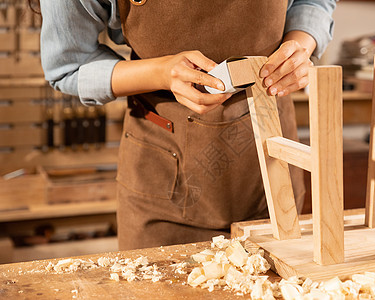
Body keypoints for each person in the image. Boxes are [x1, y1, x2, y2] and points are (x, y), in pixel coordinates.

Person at [39, 0, 336, 250]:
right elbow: (69, 66)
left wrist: (299, 46)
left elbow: (314, 2)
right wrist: (161, 72)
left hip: (272, 168)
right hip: (164, 173)